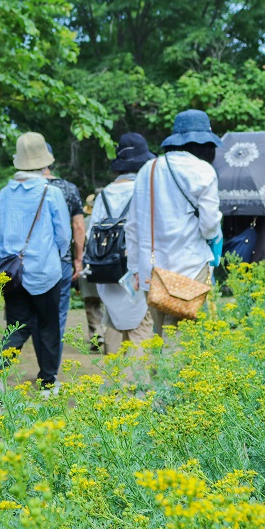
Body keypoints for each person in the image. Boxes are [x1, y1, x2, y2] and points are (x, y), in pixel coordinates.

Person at [0, 133, 71, 397]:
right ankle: (47, 383)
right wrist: (56, 256)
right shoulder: (51, 192)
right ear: (43, 162)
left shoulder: (4, 194)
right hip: (45, 271)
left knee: (17, 324)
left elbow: (0, 236)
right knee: (48, 326)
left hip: (11, 273)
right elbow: (63, 236)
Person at [125, 110, 223, 335]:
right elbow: (209, 227)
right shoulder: (203, 171)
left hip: (152, 269)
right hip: (190, 267)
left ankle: (159, 372)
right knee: (183, 341)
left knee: (160, 337)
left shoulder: (147, 169)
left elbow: (132, 226)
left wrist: (134, 269)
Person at [93, 133, 154, 352]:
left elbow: (94, 232)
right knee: (141, 326)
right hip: (136, 269)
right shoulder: (145, 191)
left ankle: (114, 383)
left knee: (113, 323)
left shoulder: (104, 195)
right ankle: (138, 385)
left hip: (107, 271)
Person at [41, 144, 84, 344]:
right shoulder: (68, 188)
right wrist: (78, 258)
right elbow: (78, 227)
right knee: (58, 314)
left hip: (30, 260)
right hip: (62, 259)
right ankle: (49, 372)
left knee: (30, 313)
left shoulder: (20, 189)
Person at [80, 192, 105, 352]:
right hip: (109, 266)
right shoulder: (113, 221)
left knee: (91, 303)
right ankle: (108, 334)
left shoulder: (84, 222)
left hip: (88, 266)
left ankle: (97, 332)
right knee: (109, 303)